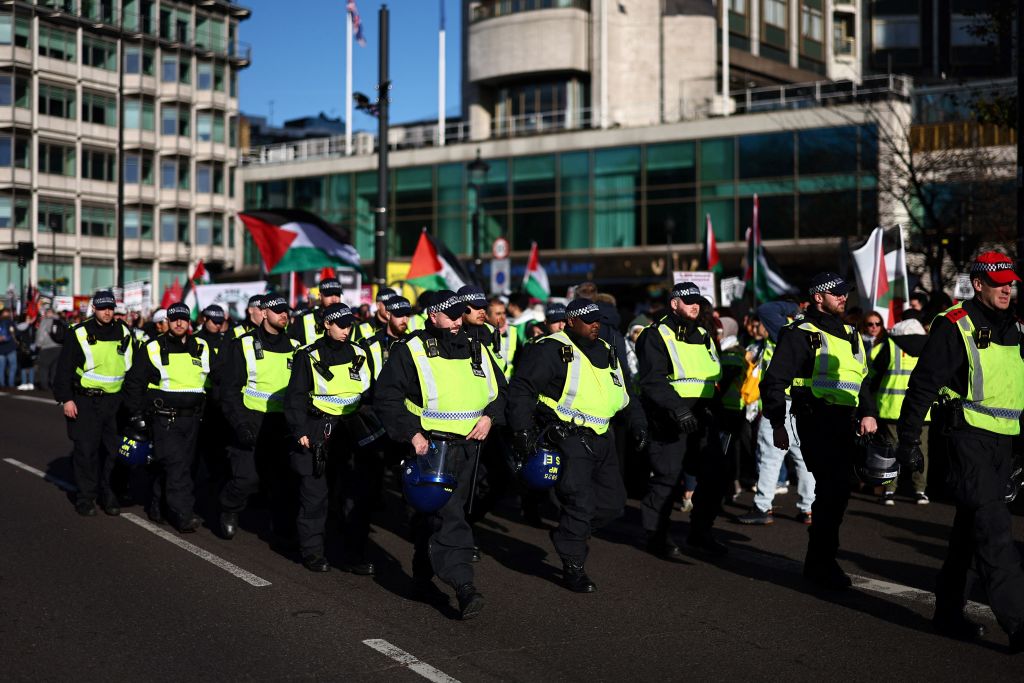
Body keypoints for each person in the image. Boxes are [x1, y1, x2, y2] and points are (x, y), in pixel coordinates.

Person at [898, 252, 1024, 650]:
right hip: (966, 438)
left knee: (969, 535)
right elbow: (922, 384)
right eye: (999, 282)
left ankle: (948, 613)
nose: (1007, 288)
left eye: (1011, 282)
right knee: (995, 532)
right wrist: (907, 441)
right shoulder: (956, 325)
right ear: (978, 283)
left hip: (1004, 444)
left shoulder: (1017, 327)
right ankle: (1019, 624)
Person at [373, 289, 507, 619]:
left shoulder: (477, 345)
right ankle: (465, 586)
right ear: (433, 315)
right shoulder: (412, 350)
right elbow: (386, 398)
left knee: (435, 516)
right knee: (451, 518)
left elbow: (502, 392)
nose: (460, 319)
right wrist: (413, 435)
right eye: (453, 314)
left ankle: (420, 577)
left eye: (463, 313)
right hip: (433, 449)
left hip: (472, 448)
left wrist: (490, 416)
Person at [508, 298, 640, 592]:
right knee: (579, 503)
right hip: (569, 438)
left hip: (603, 437)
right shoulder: (549, 349)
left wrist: (637, 421)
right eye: (589, 320)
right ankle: (574, 567)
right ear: (570, 321)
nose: (596, 325)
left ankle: (570, 533)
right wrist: (523, 431)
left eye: (598, 320)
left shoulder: (607, 349)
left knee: (613, 505)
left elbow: (624, 391)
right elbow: (522, 391)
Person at [760, 272, 877, 590]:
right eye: (836, 293)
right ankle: (822, 564)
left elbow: (862, 378)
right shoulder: (800, 333)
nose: (843, 297)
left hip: (846, 423)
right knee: (832, 490)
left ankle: (819, 562)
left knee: (836, 495)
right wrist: (777, 424)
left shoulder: (852, 333)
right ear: (817, 297)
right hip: (816, 420)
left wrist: (868, 412)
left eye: (845, 293)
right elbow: (773, 383)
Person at [636, 283, 731, 558]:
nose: (695, 306)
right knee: (667, 478)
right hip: (668, 416)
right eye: (689, 301)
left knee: (715, 474)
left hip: (702, 415)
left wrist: (720, 414)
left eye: (698, 301)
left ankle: (701, 532)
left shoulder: (703, 334)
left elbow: (712, 378)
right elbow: (652, 381)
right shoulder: (655, 335)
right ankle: (656, 537)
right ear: (674, 303)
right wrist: (678, 409)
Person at [284, 303, 380, 573]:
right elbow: (296, 397)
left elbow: (369, 393)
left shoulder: (360, 352)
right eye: (341, 324)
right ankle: (312, 552)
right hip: (318, 427)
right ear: (326, 324)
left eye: (350, 324)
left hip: (353, 428)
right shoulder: (309, 355)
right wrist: (300, 430)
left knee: (353, 495)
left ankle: (354, 555)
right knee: (315, 495)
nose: (346, 330)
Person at [216, 295, 300, 540]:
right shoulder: (242, 344)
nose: (284, 315)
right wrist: (240, 423)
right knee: (247, 479)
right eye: (278, 311)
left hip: (282, 423)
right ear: (264, 313)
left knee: (283, 481)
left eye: (286, 311)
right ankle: (229, 508)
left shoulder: (296, 347)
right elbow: (229, 391)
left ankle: (282, 529)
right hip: (251, 420)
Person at [122, 302, 209, 532]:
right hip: (164, 419)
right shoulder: (152, 347)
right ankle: (184, 514)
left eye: (183, 318)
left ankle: (156, 505)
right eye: (174, 319)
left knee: (180, 467)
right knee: (177, 466)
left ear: (189, 322)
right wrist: (136, 414)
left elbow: (215, 379)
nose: (179, 323)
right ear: (167, 322)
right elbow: (134, 383)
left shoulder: (202, 346)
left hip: (193, 420)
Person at [53, 290, 136, 516]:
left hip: (115, 403)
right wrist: (66, 399)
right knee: (86, 451)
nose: (107, 312)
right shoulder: (78, 333)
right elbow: (64, 369)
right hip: (86, 400)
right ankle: (86, 498)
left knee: (112, 453)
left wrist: (131, 403)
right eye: (102, 308)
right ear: (94, 309)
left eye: (110, 307)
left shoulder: (125, 332)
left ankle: (107, 494)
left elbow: (132, 370)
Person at [739, 300, 816, 525]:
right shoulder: (821, 332)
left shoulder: (787, 330)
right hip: (806, 402)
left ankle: (762, 506)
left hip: (781, 399)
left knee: (770, 456)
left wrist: (793, 308)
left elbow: (765, 309)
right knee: (803, 457)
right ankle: (809, 508)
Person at [870, 317, 930, 506]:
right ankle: (920, 491)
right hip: (921, 411)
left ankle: (889, 492)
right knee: (921, 451)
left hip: (891, 408)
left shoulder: (889, 345)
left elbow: (872, 371)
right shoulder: (930, 346)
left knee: (890, 450)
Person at [362, 295, 412, 379]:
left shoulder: (412, 342)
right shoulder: (370, 345)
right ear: (388, 315)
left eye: (407, 315)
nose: (404, 320)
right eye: (399, 315)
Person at [291, 277, 343, 346]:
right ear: (320, 296)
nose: (334, 299)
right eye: (329, 294)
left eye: (337, 294)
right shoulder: (302, 319)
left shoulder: (347, 320)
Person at [485, 296, 521, 378]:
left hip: (509, 384)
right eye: (498, 314)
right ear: (487, 316)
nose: (502, 317)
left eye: (504, 313)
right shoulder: (481, 333)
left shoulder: (513, 331)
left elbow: (520, 361)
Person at [35, 309, 63, 391]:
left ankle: (44, 385)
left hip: (47, 347)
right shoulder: (60, 321)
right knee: (55, 367)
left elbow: (41, 334)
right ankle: (54, 384)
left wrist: (38, 345)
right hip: (59, 347)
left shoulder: (45, 321)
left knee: (44, 367)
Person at [15, 313, 38, 390]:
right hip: (23, 349)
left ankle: (31, 383)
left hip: (31, 348)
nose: (29, 320)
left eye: (29, 318)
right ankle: (24, 382)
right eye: (27, 318)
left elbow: (34, 337)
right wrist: (29, 322)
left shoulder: (31, 326)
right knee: (24, 366)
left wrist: (34, 346)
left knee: (31, 366)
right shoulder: (21, 325)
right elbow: (22, 328)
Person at [0, 307, 16, 387]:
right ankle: (11, 383)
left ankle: (2, 383)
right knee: (12, 366)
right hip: (10, 347)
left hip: (1, 348)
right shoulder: (10, 322)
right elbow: (15, 333)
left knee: (1, 368)